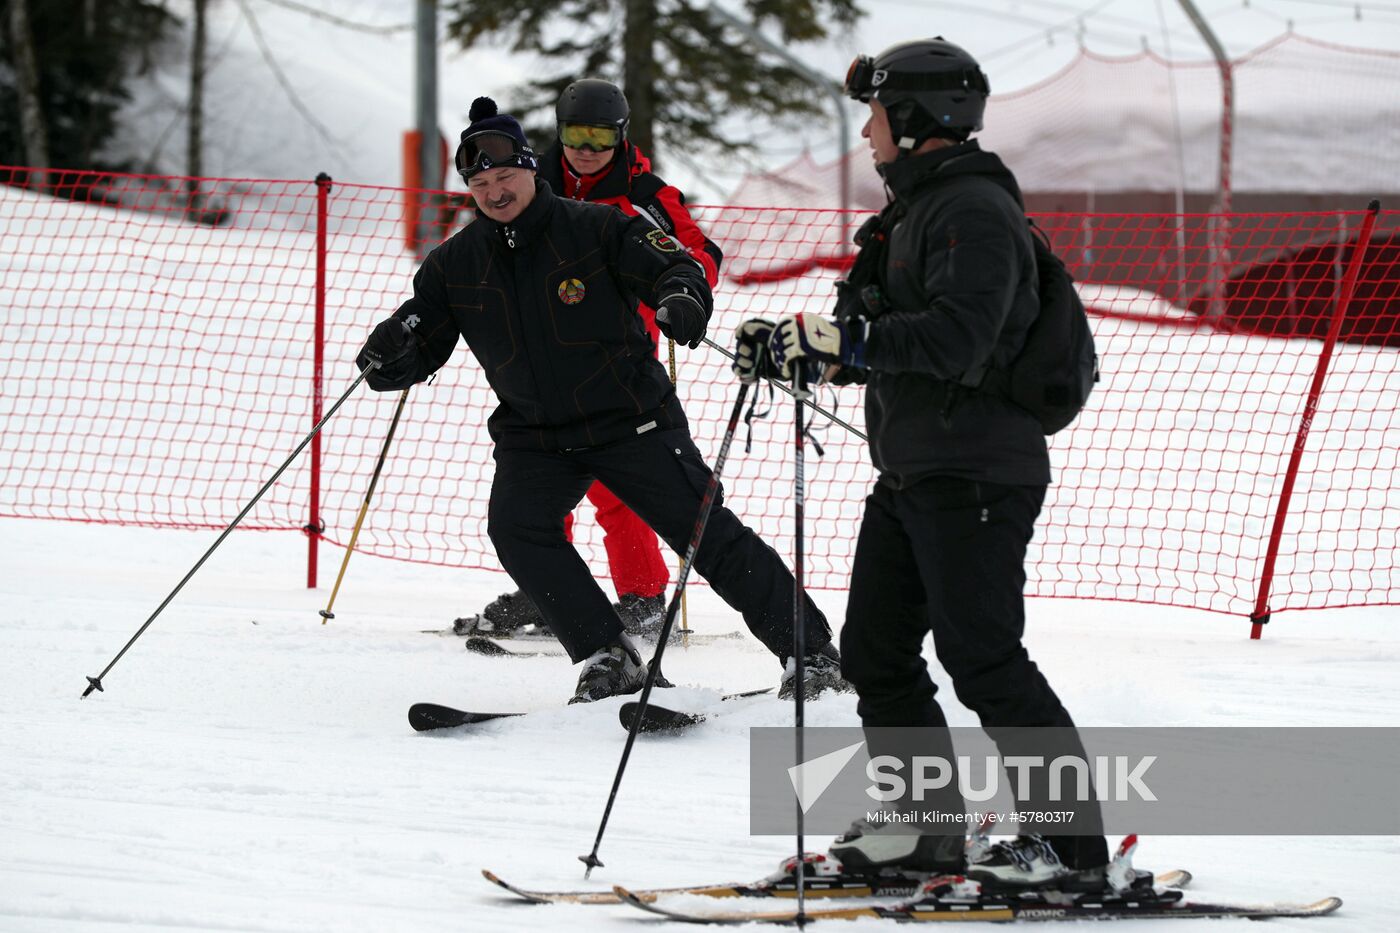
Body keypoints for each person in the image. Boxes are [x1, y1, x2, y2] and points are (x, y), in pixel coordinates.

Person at [735, 39, 1110, 889]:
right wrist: (801, 350)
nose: (866, 131)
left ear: (915, 115)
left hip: (977, 469)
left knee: (983, 658)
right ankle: (927, 827)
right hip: (915, 469)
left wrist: (853, 341)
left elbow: (959, 338)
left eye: (875, 113)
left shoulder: (974, 211)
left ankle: (1074, 851)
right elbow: (870, 337)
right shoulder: (912, 213)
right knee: (875, 652)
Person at [357, 97, 844, 703]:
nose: (495, 191)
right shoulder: (455, 262)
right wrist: (390, 356)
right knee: (518, 529)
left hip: (630, 421)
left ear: (533, 170)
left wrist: (683, 298)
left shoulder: (597, 228)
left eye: (505, 176)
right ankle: (609, 654)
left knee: (705, 534)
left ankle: (813, 655)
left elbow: (678, 266)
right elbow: (422, 336)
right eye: (480, 182)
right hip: (536, 435)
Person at [457, 79, 723, 641]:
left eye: (600, 136)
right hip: (539, 353)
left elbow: (697, 253)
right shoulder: (530, 180)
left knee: (616, 482)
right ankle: (548, 592)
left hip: (617, 353)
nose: (586, 147)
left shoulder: (645, 192)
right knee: (540, 483)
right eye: (576, 133)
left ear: (620, 136)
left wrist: (679, 293)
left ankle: (643, 595)